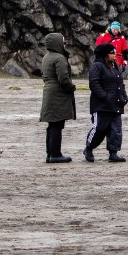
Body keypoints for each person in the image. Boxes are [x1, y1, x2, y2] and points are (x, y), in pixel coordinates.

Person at [83, 43, 128, 162]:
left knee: (116, 130)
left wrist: (124, 97)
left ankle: (113, 153)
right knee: (99, 129)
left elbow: (120, 84)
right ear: (105, 54)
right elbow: (94, 84)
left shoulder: (115, 66)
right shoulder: (97, 66)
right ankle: (89, 148)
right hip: (101, 105)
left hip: (116, 104)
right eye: (112, 53)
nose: (115, 55)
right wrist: (105, 97)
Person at [39, 33, 76, 163]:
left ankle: (50, 154)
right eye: (63, 41)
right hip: (58, 95)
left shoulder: (46, 57)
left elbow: (45, 77)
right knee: (57, 125)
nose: (64, 43)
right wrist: (72, 87)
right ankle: (55, 154)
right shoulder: (59, 58)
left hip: (49, 92)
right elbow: (63, 79)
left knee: (52, 125)